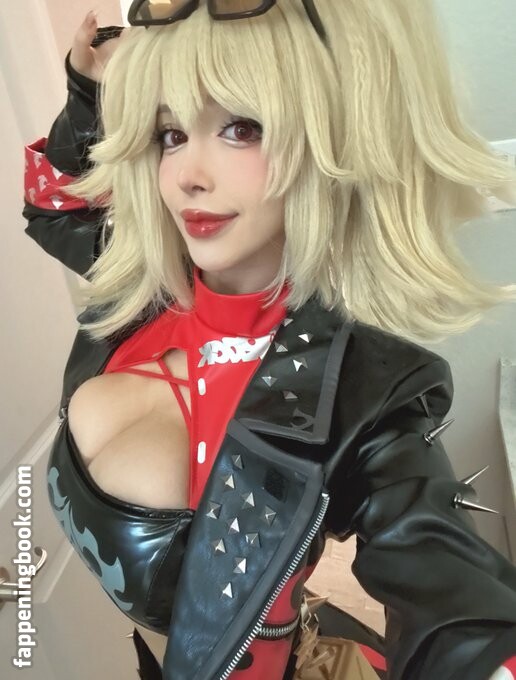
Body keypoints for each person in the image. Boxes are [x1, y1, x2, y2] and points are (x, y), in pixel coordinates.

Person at [22, 1, 516, 679]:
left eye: (241, 128)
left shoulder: (357, 392)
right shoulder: (143, 288)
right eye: (171, 133)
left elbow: (442, 576)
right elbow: (55, 207)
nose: (188, 175)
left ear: (334, 138)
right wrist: (85, 90)